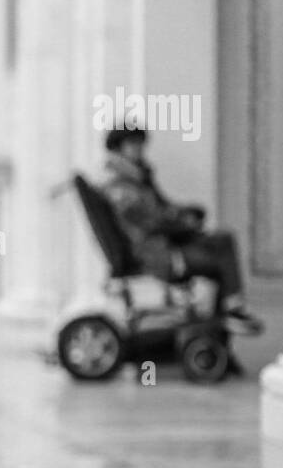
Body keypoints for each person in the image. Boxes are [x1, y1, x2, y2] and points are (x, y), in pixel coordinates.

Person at [100, 124, 263, 334]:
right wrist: (183, 222)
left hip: (163, 245)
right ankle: (229, 311)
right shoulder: (120, 186)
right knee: (219, 256)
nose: (139, 150)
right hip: (157, 254)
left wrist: (186, 214)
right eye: (133, 145)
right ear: (118, 149)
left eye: (141, 144)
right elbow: (151, 222)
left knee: (222, 239)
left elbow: (163, 209)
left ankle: (229, 309)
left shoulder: (138, 178)